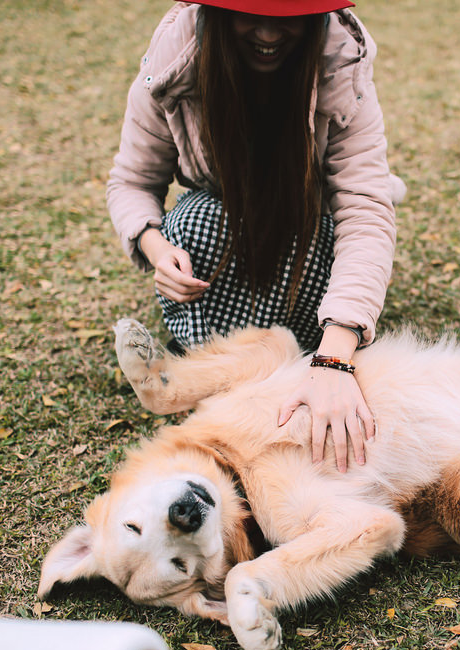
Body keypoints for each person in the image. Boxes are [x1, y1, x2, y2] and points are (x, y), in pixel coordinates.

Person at [106, 0, 403, 473]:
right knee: (195, 220)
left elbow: (364, 207)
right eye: (249, 11)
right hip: (223, 234)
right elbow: (132, 182)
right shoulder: (175, 57)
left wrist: (335, 357)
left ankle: (231, 373)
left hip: (308, 232)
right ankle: (246, 371)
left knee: (324, 242)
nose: (268, 31)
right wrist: (156, 247)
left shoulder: (339, 59)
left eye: (287, 12)